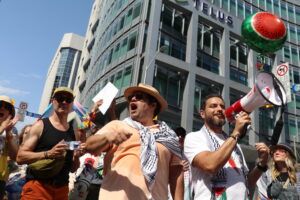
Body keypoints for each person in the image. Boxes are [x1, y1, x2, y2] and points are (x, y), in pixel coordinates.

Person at [85, 83, 183, 200]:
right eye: (131, 97)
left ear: (153, 104)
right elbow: (89, 145)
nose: (133, 99)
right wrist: (107, 138)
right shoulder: (118, 126)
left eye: (139, 97)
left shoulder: (169, 137)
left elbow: (176, 174)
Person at [184, 93, 269, 200]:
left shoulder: (234, 144)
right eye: (213, 106)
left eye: (222, 106)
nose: (220, 109)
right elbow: (210, 165)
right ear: (202, 114)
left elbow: (248, 182)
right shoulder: (194, 137)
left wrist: (262, 163)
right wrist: (236, 132)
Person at [16, 87, 82, 200]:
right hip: (38, 188)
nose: (64, 102)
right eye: (60, 98)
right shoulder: (40, 125)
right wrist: (48, 154)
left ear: (72, 104)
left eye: (68, 99)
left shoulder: (74, 133)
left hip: (61, 190)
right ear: (53, 101)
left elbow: (72, 169)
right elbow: (20, 157)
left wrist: (76, 157)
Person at [0, 96, 18, 200]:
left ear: (10, 114)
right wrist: (2, 127)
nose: (2, 108)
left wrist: (8, 134)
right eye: (0, 105)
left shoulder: (12, 130)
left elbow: (15, 156)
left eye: (6, 107)